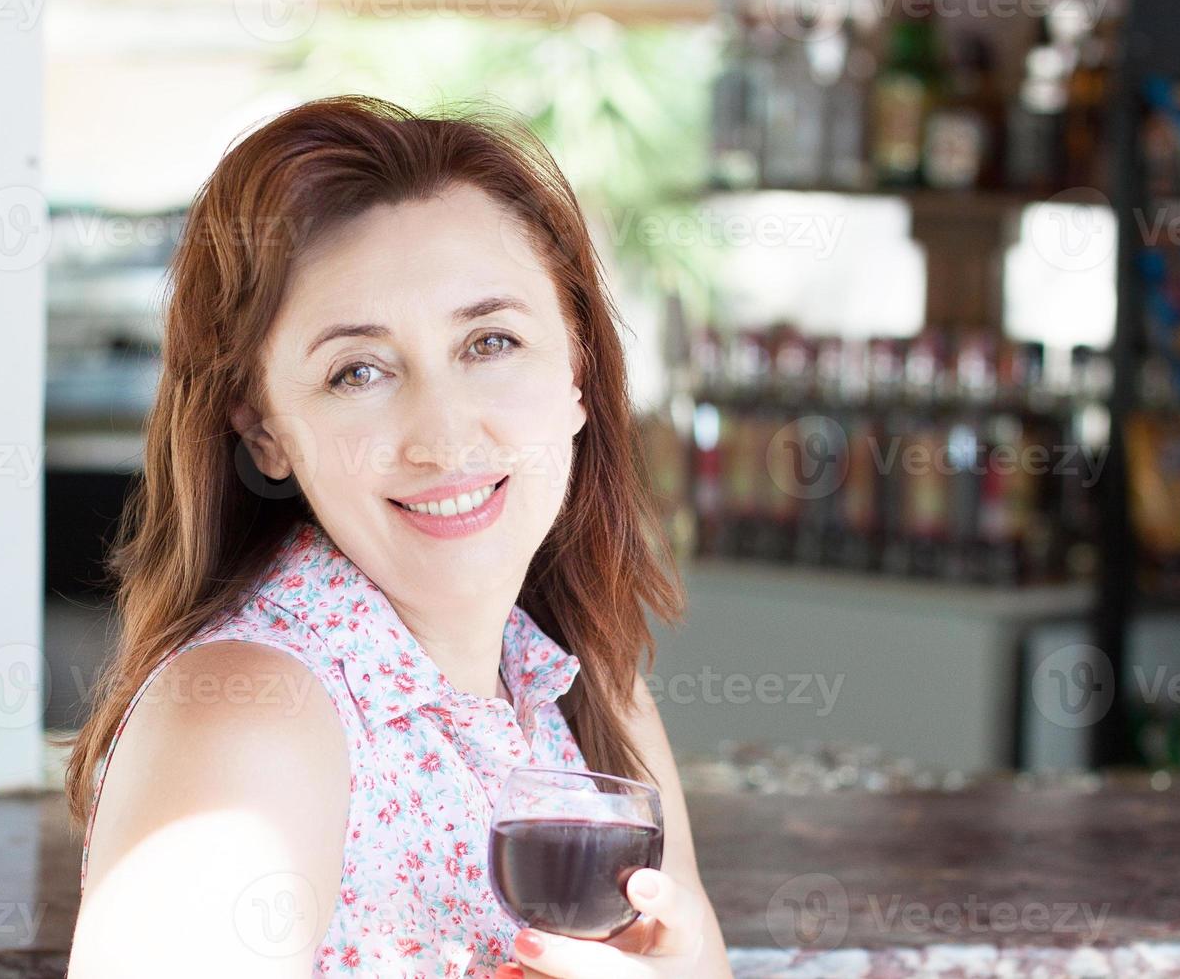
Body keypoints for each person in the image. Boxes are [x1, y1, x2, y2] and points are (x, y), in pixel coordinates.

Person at [63, 94, 733, 979]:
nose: (444, 437)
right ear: (264, 430)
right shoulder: (242, 716)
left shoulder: (595, 700)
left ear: (577, 369)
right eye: (360, 372)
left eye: (491, 343)